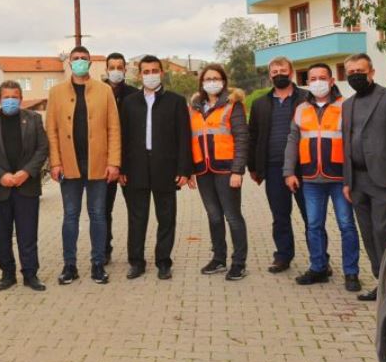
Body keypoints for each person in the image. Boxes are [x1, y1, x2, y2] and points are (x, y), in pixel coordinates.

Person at [46, 46, 121, 285]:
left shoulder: (104, 90)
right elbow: (52, 132)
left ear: (90, 63)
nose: (79, 62)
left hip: (98, 164)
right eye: (75, 58)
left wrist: (114, 163)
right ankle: (70, 265)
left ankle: (98, 264)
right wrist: (55, 162)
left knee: (98, 215)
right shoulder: (56, 92)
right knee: (70, 216)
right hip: (69, 166)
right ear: (69, 62)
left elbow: (114, 129)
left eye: (84, 59)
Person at [283, 64, 361, 292]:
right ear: (307, 81)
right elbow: (292, 141)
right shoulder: (300, 108)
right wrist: (288, 172)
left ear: (332, 80)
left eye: (322, 77)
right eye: (313, 78)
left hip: (339, 178)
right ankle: (318, 267)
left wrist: (352, 177)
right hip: (310, 178)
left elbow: (353, 143)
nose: (317, 82)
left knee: (346, 225)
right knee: (314, 225)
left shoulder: (345, 106)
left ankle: (351, 272)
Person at [247, 56, 325, 274]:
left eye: (282, 70)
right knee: (280, 216)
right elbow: (253, 136)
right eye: (274, 71)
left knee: (312, 216)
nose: (278, 74)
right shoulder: (260, 103)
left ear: (291, 72)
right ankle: (283, 256)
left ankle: (320, 259)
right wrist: (252, 167)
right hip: (273, 168)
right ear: (269, 74)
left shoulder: (306, 98)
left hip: (304, 167)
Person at [119, 55, 193, 280]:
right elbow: (122, 136)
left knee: (166, 216)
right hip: (135, 167)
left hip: (166, 167)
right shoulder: (129, 102)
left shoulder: (175, 101)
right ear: (139, 74)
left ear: (162, 73)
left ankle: (163, 262)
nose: (150, 75)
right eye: (146, 71)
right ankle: (136, 262)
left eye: (154, 70)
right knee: (137, 217)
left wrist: (184, 169)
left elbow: (184, 137)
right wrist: (121, 168)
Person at [342, 53, 386, 301]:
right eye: (351, 72)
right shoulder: (347, 105)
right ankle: (382, 283)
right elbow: (346, 143)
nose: (356, 75)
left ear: (372, 72)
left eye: (360, 71)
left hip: (384, 180)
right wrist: (347, 181)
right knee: (368, 234)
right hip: (357, 182)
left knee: (383, 232)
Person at [0, 80, 49, 292]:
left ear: (20, 99)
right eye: (6, 97)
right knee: (1, 234)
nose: (10, 100)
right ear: (0, 99)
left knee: (28, 234)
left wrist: (26, 172)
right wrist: (0, 176)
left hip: (26, 186)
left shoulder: (34, 119)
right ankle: (7, 274)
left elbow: (42, 149)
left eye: (14, 97)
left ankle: (30, 274)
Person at [189, 64, 249, 281]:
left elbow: (242, 138)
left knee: (232, 216)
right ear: (202, 83)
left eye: (216, 78)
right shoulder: (195, 107)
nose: (212, 82)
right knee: (214, 216)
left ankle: (239, 263)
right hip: (204, 171)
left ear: (223, 81)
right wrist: (190, 171)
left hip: (227, 170)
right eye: (208, 78)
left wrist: (238, 170)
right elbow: (191, 139)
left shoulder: (233, 105)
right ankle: (219, 258)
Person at [102, 52, 140, 266]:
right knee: (103, 210)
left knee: (134, 210)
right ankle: (104, 249)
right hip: (104, 164)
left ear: (125, 70)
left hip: (129, 165)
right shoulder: (98, 93)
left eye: (119, 67)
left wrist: (124, 165)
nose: (116, 70)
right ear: (106, 70)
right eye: (112, 67)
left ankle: (135, 254)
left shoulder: (135, 95)